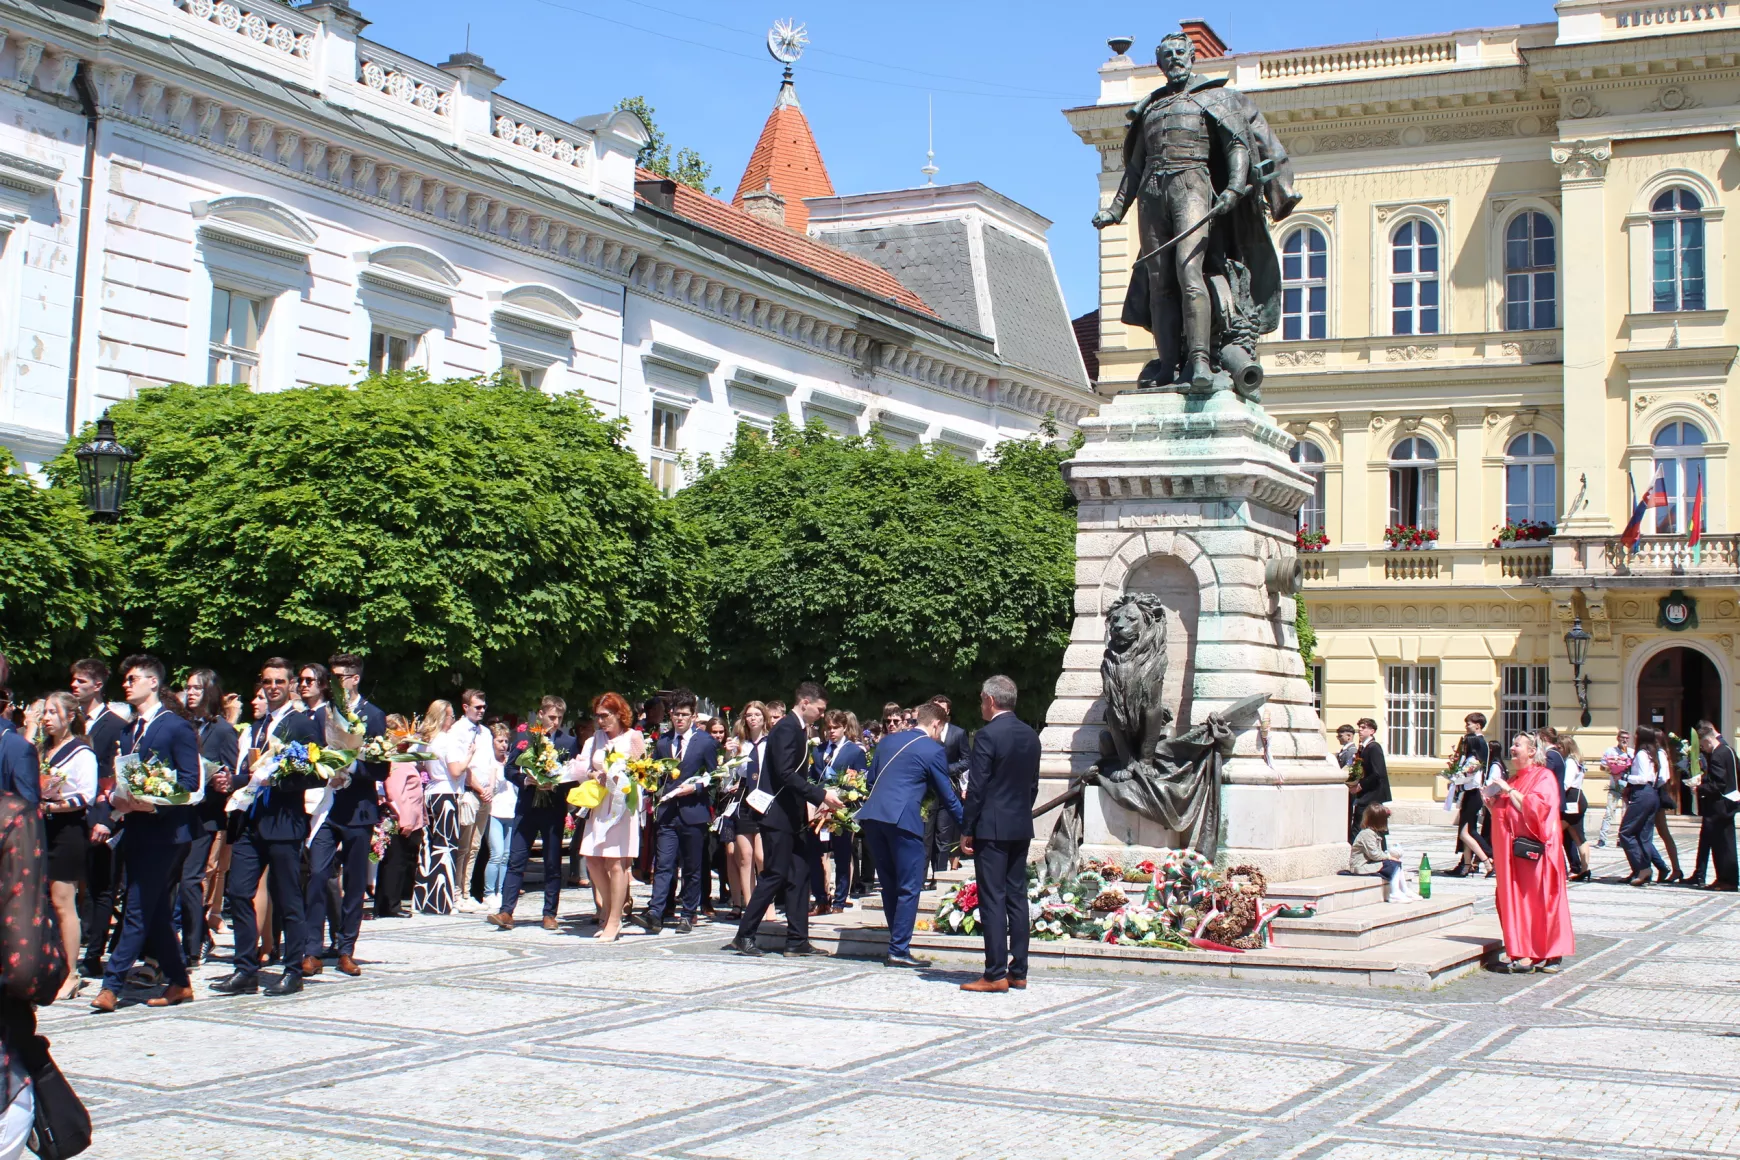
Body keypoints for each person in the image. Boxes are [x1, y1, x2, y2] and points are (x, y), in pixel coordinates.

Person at [92, 654, 202, 1011]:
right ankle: (180, 982)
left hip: (166, 833)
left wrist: (154, 801)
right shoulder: (128, 730)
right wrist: (118, 801)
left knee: (138, 906)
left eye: (134, 678)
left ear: (153, 682)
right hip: (135, 828)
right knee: (153, 913)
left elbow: (189, 782)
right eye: (125, 679)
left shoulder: (175, 726)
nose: (127, 683)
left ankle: (111, 986)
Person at [211, 659, 321, 998]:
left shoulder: (301, 724)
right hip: (250, 821)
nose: (272, 687)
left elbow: (313, 773)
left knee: (288, 898)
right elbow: (252, 769)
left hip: (284, 822)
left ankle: (292, 970)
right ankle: (245, 968)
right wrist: (234, 781)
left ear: (290, 685)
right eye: (267, 681)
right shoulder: (258, 725)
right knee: (239, 892)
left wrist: (274, 778)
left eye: (279, 681)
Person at [728, 683, 841, 957]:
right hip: (777, 816)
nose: (822, 715)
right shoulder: (787, 728)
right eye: (820, 709)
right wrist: (820, 795)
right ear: (804, 702)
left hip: (793, 817)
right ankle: (744, 934)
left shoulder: (799, 729)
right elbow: (785, 773)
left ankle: (797, 940)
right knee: (774, 874)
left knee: (800, 875)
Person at [858, 702, 963, 968]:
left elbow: (871, 781)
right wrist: (968, 825)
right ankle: (899, 949)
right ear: (936, 724)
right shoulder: (932, 748)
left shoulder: (886, 742)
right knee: (909, 886)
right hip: (903, 820)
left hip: (873, 817)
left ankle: (897, 942)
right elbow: (947, 795)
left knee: (890, 884)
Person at [301, 655, 386, 979]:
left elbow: (381, 767)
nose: (334, 682)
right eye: (331, 676)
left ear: (354, 679)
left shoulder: (373, 715)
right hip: (327, 806)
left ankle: (346, 949)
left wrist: (351, 768)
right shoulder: (322, 714)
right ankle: (311, 949)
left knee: (353, 884)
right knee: (318, 875)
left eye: (340, 676)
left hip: (359, 809)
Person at [958, 675, 1041, 993]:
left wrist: (967, 828)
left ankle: (995, 973)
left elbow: (977, 787)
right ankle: (1019, 971)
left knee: (993, 899)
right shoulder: (1031, 735)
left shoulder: (988, 735)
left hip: (991, 827)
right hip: (1019, 825)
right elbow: (1032, 784)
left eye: (981, 700)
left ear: (989, 699)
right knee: (1017, 898)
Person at [1487, 732, 1575, 972]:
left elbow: (1538, 810)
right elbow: (1508, 813)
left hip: (1536, 855)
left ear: (1532, 751)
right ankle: (1524, 951)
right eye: (1513, 744)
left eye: (1518, 745)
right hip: (1512, 859)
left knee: (1540, 901)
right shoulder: (1514, 780)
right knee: (1518, 902)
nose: (1512, 748)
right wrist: (1494, 803)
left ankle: (1549, 952)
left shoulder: (1543, 777)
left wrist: (1508, 791)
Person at [489, 697, 579, 932]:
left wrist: (557, 784)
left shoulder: (568, 742)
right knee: (516, 858)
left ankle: (549, 913)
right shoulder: (525, 738)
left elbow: (573, 776)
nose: (555, 722)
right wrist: (525, 779)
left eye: (559, 718)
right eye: (551, 717)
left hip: (552, 808)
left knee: (552, 861)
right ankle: (506, 911)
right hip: (527, 806)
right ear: (540, 714)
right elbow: (509, 769)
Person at [637, 691, 717, 935]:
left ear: (693, 716)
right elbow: (656, 774)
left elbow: (715, 777)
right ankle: (655, 912)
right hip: (668, 813)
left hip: (693, 811)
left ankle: (688, 913)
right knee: (664, 864)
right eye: (675, 714)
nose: (679, 719)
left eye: (684, 715)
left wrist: (696, 787)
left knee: (692, 867)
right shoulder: (662, 741)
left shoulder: (705, 742)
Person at [34, 692, 96, 1001]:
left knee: (63, 901)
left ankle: (72, 972)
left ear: (69, 716)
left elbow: (86, 794)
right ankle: (51, 964)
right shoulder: (43, 750)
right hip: (42, 828)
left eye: (52, 712)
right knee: (44, 902)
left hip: (67, 830)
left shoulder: (81, 752)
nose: (46, 718)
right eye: (44, 712)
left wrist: (53, 805)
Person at [71, 658, 128, 978]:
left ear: (97, 685)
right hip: (74, 813)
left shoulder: (114, 724)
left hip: (102, 812)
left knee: (101, 886)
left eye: (81, 681)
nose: (75, 686)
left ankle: (94, 953)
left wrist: (108, 818)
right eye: (73, 681)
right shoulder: (75, 721)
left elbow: (117, 775)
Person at [178, 669, 237, 968]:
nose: (190, 693)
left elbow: (231, 774)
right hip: (178, 812)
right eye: (187, 688)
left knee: (191, 880)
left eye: (197, 689)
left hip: (205, 816)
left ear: (210, 693)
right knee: (178, 880)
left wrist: (219, 782)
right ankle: (198, 934)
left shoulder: (223, 730)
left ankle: (194, 944)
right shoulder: (180, 725)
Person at [579, 693, 645, 942]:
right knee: (593, 860)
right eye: (598, 716)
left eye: (605, 715)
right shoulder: (595, 738)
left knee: (615, 863)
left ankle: (614, 920)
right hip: (599, 804)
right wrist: (591, 775)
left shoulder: (633, 737)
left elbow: (644, 772)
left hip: (621, 806)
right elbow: (585, 767)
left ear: (619, 713)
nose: (601, 721)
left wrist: (624, 776)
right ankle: (608, 910)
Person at [810, 710, 866, 914]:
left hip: (842, 809)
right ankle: (820, 899)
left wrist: (844, 794)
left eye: (836, 728)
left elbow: (860, 783)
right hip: (820, 809)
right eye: (829, 728)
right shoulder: (818, 750)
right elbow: (812, 779)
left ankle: (840, 900)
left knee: (842, 855)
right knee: (816, 853)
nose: (831, 732)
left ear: (844, 727)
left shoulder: (854, 751)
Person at [447, 690, 496, 912]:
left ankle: (467, 891)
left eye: (484, 707)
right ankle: (457, 892)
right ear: (465, 707)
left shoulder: (485, 732)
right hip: (469, 791)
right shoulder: (457, 731)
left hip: (485, 792)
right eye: (477, 707)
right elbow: (461, 765)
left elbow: (492, 762)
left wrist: (490, 788)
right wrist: (478, 787)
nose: (481, 710)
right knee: (464, 846)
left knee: (476, 845)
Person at [721, 701, 770, 915]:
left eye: (757, 714)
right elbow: (727, 781)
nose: (753, 718)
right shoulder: (741, 744)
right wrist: (728, 757)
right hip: (744, 799)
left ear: (764, 718)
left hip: (765, 799)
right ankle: (750, 908)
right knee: (744, 856)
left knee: (761, 856)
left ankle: (768, 907)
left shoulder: (771, 743)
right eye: (749, 715)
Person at [374, 713, 425, 919]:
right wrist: (404, 819)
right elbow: (395, 793)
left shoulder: (401, 761)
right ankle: (390, 905)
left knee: (397, 862)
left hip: (407, 818)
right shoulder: (396, 763)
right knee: (395, 862)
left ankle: (388, 904)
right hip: (401, 818)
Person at [413, 701, 462, 914]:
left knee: (428, 847)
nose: (452, 721)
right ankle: (441, 902)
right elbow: (455, 771)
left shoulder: (426, 740)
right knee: (446, 846)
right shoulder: (446, 740)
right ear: (443, 718)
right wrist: (468, 756)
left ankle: (422, 898)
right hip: (446, 794)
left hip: (430, 793)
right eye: (451, 717)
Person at [1619, 726, 1672, 887]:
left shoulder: (1642, 754)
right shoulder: (1653, 753)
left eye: (1636, 734)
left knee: (1626, 833)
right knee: (1643, 835)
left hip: (1642, 793)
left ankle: (1643, 868)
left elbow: (1643, 778)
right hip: (1651, 794)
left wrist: (1626, 777)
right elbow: (1660, 777)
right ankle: (1654, 868)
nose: (1634, 737)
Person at [1445, 714, 1493, 878]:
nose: (1466, 726)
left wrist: (1455, 778)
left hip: (1473, 793)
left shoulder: (1478, 744)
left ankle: (1488, 859)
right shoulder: (1477, 745)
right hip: (1470, 793)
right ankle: (1466, 865)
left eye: (1469, 723)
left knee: (1467, 832)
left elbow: (1472, 773)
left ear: (1478, 725)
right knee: (1466, 831)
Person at [926, 696, 970, 874]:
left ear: (948, 711)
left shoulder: (958, 733)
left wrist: (946, 769)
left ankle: (939, 874)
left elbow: (967, 760)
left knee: (943, 837)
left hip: (948, 788)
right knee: (925, 836)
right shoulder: (925, 732)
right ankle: (921, 877)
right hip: (927, 791)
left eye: (942, 708)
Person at [1692, 721, 1738, 891]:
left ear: (1708, 740)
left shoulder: (1718, 754)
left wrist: (1700, 787)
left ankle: (1727, 880)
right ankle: (1725, 879)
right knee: (1727, 843)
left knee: (1722, 845)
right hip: (1730, 802)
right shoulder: (1729, 750)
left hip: (1719, 806)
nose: (1703, 749)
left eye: (1703, 745)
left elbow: (1719, 783)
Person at [1347, 803, 1413, 901]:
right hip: (1361, 867)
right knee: (1392, 864)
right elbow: (1375, 855)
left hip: (1369, 864)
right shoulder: (1367, 834)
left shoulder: (1373, 833)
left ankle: (1404, 890)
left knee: (1396, 863)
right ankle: (1394, 893)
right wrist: (1389, 856)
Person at [481, 723, 515, 913]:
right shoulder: (490, 763)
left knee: (506, 856)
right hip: (495, 811)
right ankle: (488, 893)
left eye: (506, 741)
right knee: (496, 854)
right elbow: (491, 787)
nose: (503, 745)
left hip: (510, 811)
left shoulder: (510, 761)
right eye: (499, 741)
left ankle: (500, 891)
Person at [1349, 718, 1391, 842]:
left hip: (1372, 795)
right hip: (1366, 795)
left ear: (1372, 731)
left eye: (1363, 728)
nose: (1360, 730)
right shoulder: (1363, 748)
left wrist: (1360, 786)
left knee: (1365, 826)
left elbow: (1378, 773)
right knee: (1372, 827)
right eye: (1359, 728)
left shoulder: (1374, 747)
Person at [1559, 735, 1592, 883]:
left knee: (1554, 832)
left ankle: (1575, 868)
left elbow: (1566, 783)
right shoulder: (1577, 760)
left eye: (1560, 747)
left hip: (1572, 800)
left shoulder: (1571, 761)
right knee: (1578, 836)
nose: (1558, 750)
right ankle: (1584, 869)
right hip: (1577, 799)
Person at [1597, 729, 1634, 848]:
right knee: (1609, 812)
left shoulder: (1632, 753)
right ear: (1618, 738)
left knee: (1626, 813)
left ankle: (1621, 838)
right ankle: (1602, 839)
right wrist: (1612, 770)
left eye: (1627, 738)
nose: (1625, 740)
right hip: (1614, 786)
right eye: (1622, 738)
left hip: (1628, 787)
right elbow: (1602, 766)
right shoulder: (1610, 751)